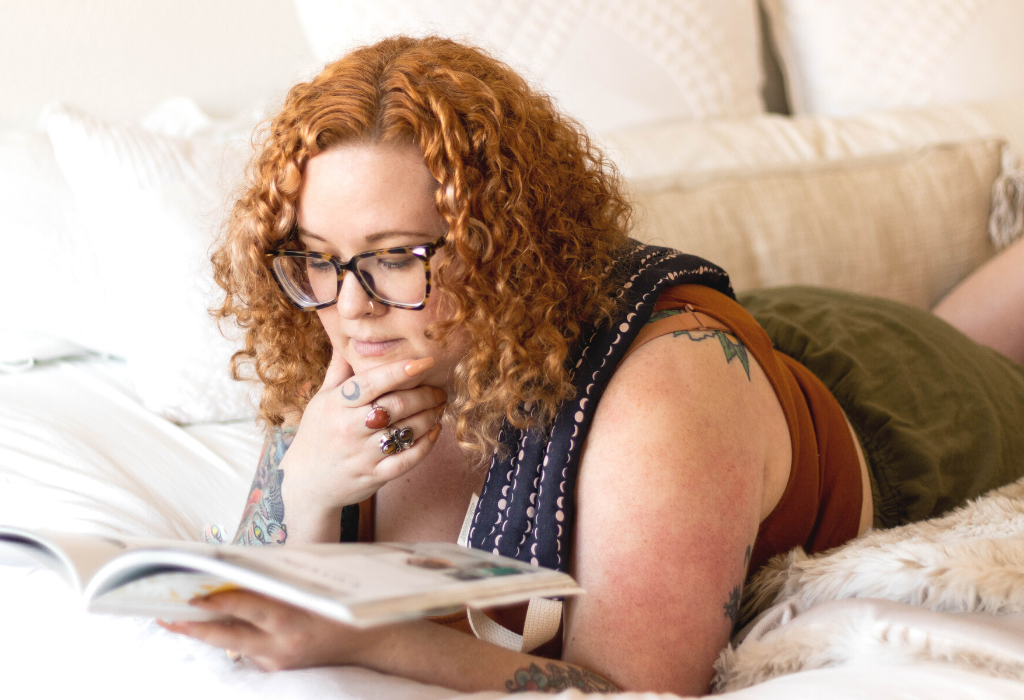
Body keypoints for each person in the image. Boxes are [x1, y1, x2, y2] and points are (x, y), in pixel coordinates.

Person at [158, 36, 1024, 695]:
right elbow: (254, 607)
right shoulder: (354, 316)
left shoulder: (665, 403)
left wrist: (361, 640)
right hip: (758, 353)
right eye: (318, 256)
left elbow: (635, 690)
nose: (350, 304)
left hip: (896, 390)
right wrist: (306, 491)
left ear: (506, 248)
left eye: (398, 253)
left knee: (974, 343)